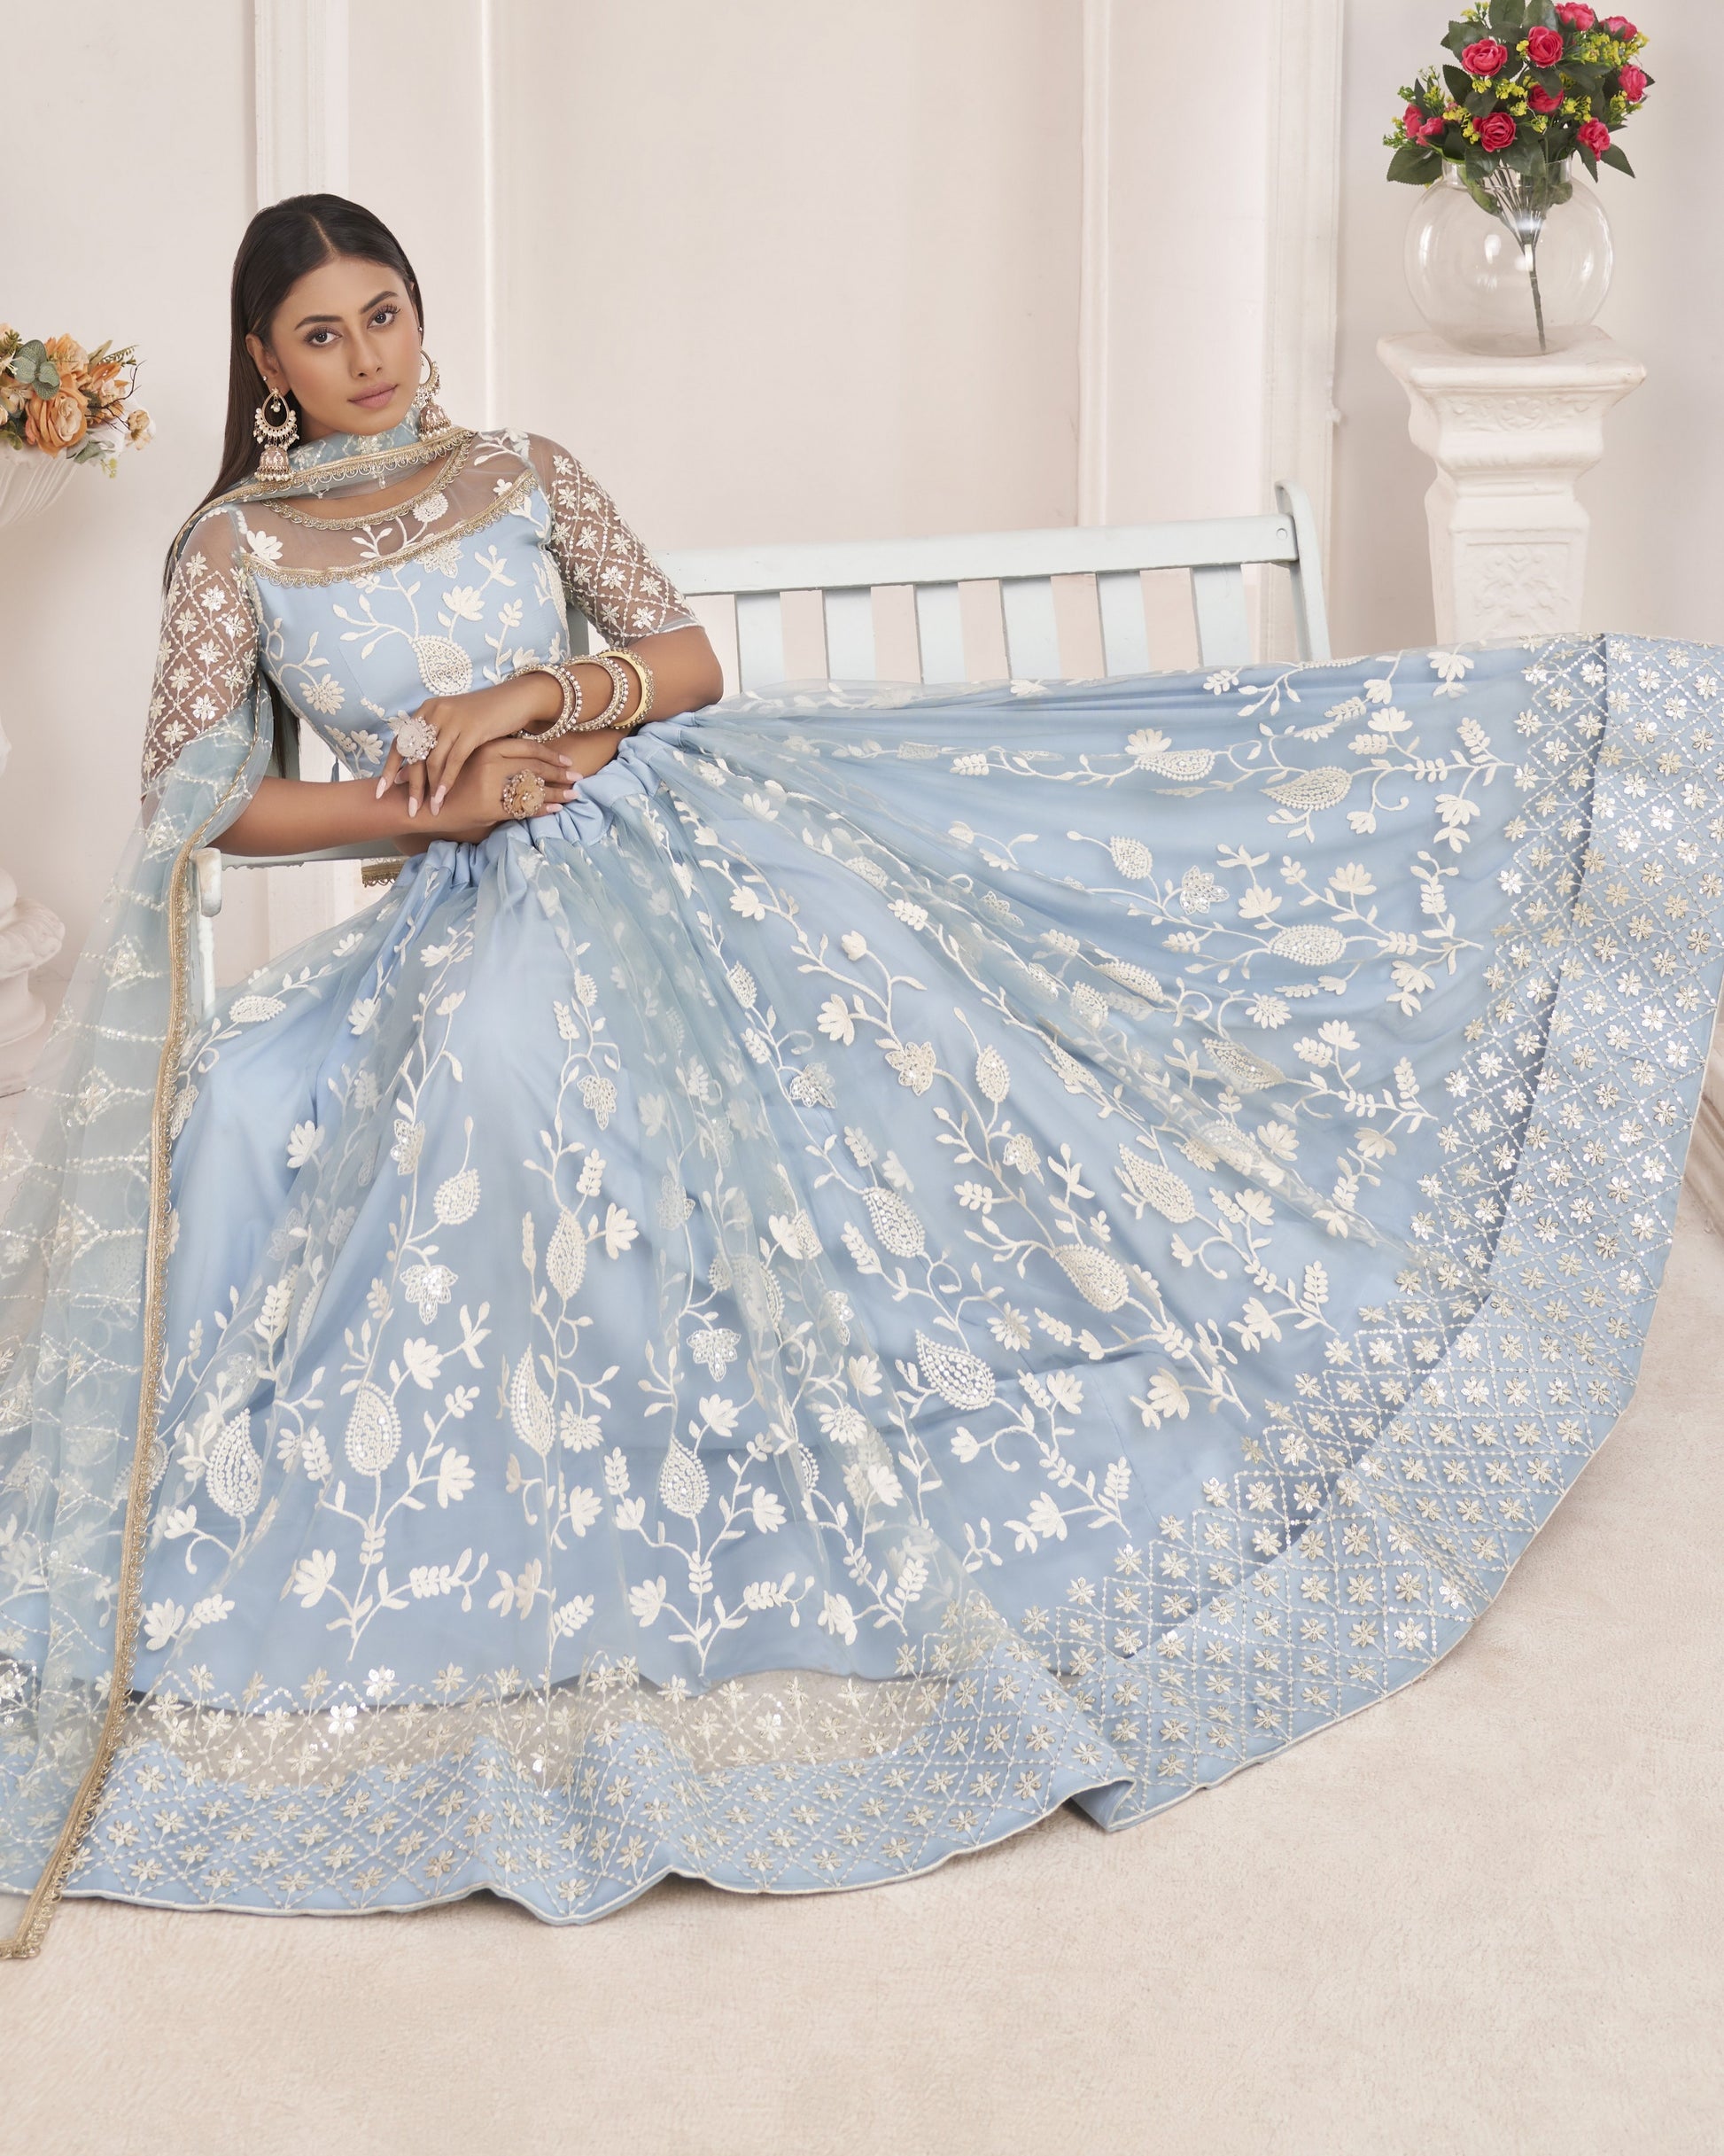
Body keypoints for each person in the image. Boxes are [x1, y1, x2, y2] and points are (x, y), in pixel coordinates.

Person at [3, 195, 1720, 1961]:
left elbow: (686, 660)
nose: (367, 357)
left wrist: (529, 700)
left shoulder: (520, 470)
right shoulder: (239, 549)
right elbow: (200, 798)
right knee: (477, 1076)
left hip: (673, 820)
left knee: (898, 986)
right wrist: (426, 805)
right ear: (263, 363)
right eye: (322, 333)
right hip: (474, 893)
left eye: (386, 313)